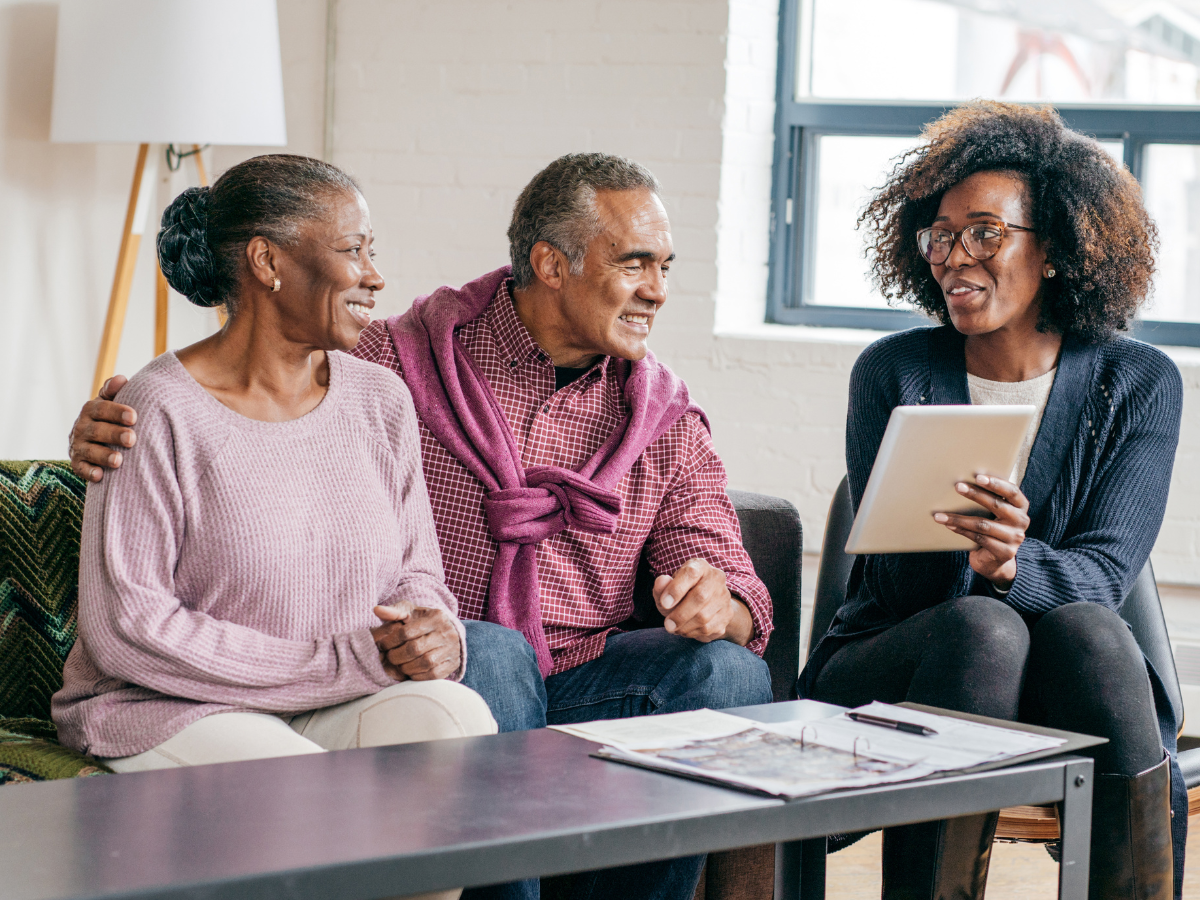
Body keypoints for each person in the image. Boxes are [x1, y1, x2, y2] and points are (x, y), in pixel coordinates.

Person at [67, 153, 774, 900]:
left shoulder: (660, 415)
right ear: (551, 265)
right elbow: (254, 378)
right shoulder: (403, 357)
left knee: (731, 672)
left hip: (579, 683)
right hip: (460, 672)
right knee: (492, 655)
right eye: (636, 265)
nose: (658, 291)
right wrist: (103, 423)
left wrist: (715, 600)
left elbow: (719, 562)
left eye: (665, 266)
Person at [53, 156, 496, 900]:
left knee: (457, 725)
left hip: (333, 697)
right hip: (172, 709)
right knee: (304, 791)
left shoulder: (380, 399)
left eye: (372, 251)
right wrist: (338, 662)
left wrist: (435, 628)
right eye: (353, 249)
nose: (375, 275)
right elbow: (130, 627)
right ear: (267, 260)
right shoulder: (154, 411)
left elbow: (417, 571)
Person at [799, 101, 1183, 900]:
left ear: (1054, 248)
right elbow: (895, 590)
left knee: (1087, 627)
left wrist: (1012, 564)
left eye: (983, 232)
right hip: (900, 659)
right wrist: (973, 568)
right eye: (940, 235)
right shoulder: (893, 373)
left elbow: (1105, 576)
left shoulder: (1139, 383)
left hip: (1070, 674)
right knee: (983, 627)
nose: (953, 256)